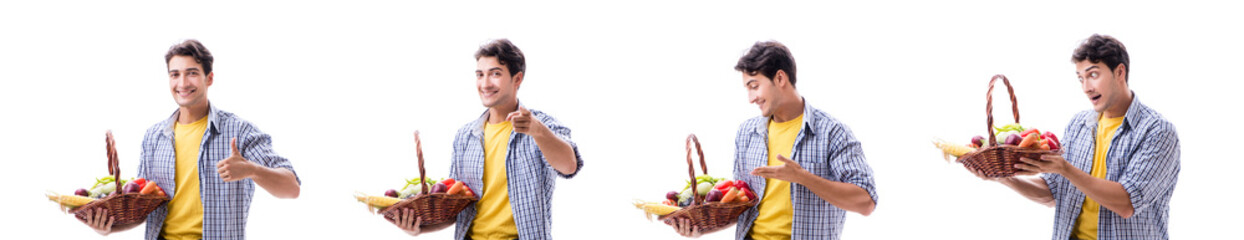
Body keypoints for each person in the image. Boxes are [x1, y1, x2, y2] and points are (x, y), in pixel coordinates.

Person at [81, 39, 301, 240]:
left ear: (210, 78)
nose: (183, 83)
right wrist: (108, 228)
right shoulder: (154, 137)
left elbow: (292, 188)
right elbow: (144, 210)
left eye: (192, 73)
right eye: (175, 74)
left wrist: (251, 170)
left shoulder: (239, 131)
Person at [969, 34, 1180, 240]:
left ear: (1120, 72)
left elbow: (1126, 203)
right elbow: (1053, 193)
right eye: (1081, 78)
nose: (1086, 88)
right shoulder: (1079, 124)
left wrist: (1064, 168)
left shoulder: (1157, 132)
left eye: (1093, 75)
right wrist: (1004, 178)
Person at [670, 40, 878, 240]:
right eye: (747, 89)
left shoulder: (833, 132)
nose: (751, 98)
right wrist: (700, 228)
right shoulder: (746, 133)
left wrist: (803, 177)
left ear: (780, 78)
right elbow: (740, 206)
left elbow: (866, 202)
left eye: (754, 86)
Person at [390, 39, 583, 240]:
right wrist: (420, 229)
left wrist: (538, 131)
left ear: (517, 79)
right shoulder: (466, 137)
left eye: (495, 74)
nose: (485, 84)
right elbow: (457, 208)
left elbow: (569, 166)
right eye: (480, 75)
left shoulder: (542, 125)